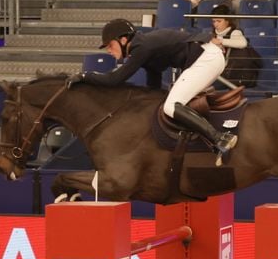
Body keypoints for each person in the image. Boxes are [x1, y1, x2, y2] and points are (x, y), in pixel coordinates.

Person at [67, 19, 238, 156]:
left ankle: (220, 138)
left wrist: (84, 76)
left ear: (123, 39)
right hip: (207, 57)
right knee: (169, 104)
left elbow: (114, 79)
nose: (109, 51)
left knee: (172, 106)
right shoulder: (144, 48)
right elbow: (154, 81)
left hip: (206, 58)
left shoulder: (141, 47)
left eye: (110, 45)